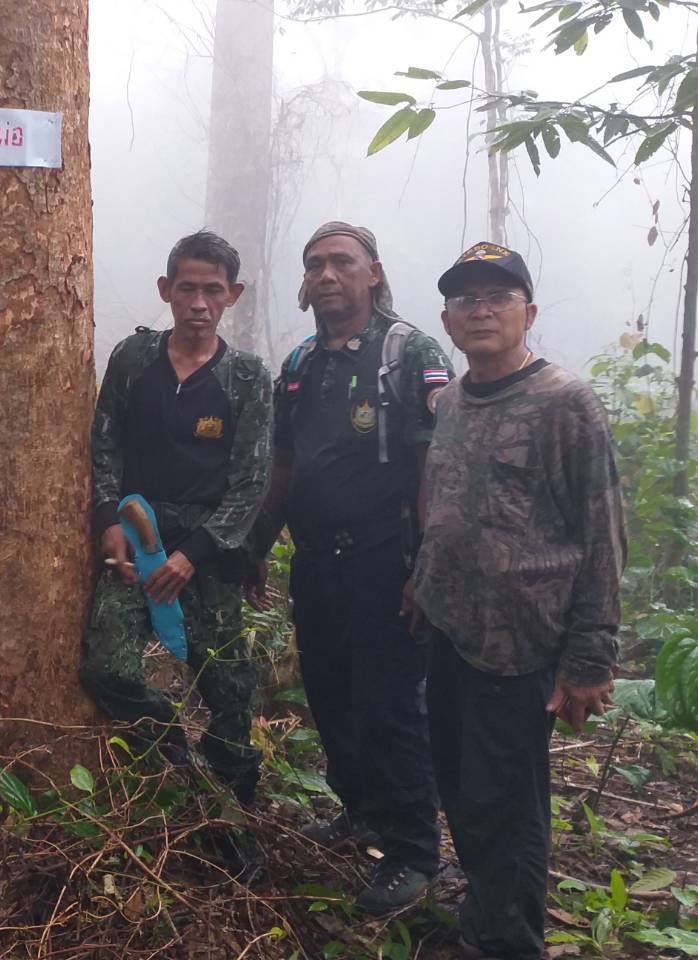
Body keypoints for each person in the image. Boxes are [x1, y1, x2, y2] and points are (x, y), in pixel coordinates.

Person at [414, 241, 624, 959]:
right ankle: (485, 909)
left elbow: (602, 532)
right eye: (465, 299)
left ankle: (505, 942)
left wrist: (590, 657)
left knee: (506, 804)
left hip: (521, 643)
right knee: (458, 785)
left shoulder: (565, 402)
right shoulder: (450, 401)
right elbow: (443, 502)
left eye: (497, 297)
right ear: (448, 319)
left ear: (528, 313)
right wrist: (422, 584)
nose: (481, 310)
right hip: (451, 632)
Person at [246, 222, 451, 913]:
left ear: (374, 272)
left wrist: (427, 566)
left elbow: (434, 465)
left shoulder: (409, 352)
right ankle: (360, 812)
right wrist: (257, 544)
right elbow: (284, 463)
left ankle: (413, 850)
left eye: (342, 261)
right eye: (315, 265)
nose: (327, 274)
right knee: (332, 697)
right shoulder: (302, 363)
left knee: (390, 704)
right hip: (316, 562)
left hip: (386, 559)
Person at [79, 229, 273, 826]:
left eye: (213, 290)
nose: (199, 303)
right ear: (165, 290)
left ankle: (235, 805)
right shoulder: (134, 359)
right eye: (187, 288)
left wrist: (193, 555)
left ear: (233, 294)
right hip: (136, 533)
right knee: (107, 668)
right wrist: (107, 517)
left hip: (208, 548)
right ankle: (177, 760)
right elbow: (104, 444)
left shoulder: (246, 377)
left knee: (228, 687)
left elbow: (251, 482)